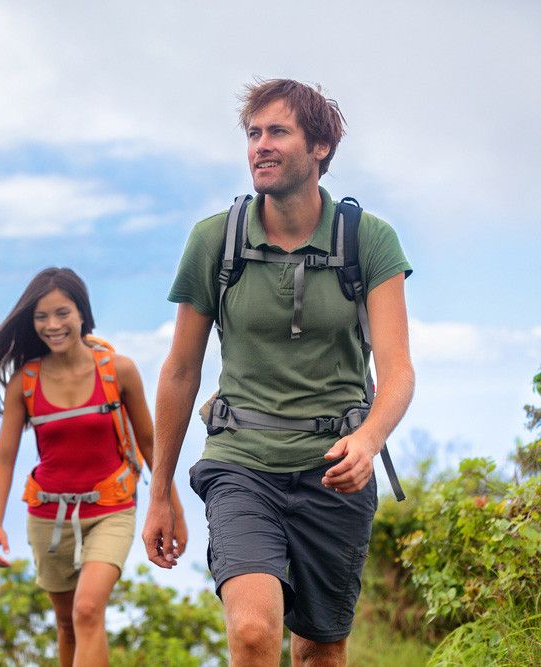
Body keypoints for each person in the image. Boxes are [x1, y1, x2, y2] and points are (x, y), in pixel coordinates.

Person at [142, 79, 415, 666]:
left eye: (277, 131)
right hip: (242, 462)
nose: (260, 145)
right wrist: (159, 491)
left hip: (334, 469)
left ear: (319, 146)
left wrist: (368, 440)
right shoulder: (215, 240)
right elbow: (181, 370)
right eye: (253, 133)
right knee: (251, 632)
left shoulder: (368, 241)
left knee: (318, 650)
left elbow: (397, 372)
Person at [0, 267, 188, 667]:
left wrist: (172, 508)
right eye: (41, 316)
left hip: (111, 509)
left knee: (87, 610)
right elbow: (4, 458)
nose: (52, 325)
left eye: (62, 313)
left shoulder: (118, 370)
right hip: (48, 516)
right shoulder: (23, 383)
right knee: (67, 624)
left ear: (82, 314)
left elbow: (149, 443)